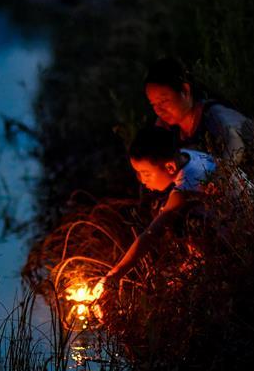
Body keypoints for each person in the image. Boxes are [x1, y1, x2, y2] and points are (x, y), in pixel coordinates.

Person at [93, 126, 217, 299]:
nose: (142, 180)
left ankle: (203, 272)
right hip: (243, 216)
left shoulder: (189, 184)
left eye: (145, 173)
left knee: (171, 218)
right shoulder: (187, 155)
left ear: (170, 167)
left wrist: (115, 274)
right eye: (138, 173)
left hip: (242, 234)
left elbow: (152, 233)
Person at [144, 58, 254, 165]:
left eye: (163, 101)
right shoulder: (168, 126)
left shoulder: (214, 115)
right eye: (153, 104)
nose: (159, 110)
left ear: (185, 91)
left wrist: (219, 178)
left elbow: (235, 143)